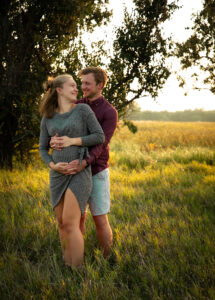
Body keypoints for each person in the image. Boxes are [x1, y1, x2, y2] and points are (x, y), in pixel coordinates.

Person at [50, 67, 118, 258]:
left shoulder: (109, 112)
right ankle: (77, 257)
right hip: (75, 172)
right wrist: (53, 140)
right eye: (82, 83)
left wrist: (85, 162)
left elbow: (102, 143)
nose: (83, 87)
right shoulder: (77, 105)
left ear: (100, 85)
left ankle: (107, 260)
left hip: (96, 171)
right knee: (77, 219)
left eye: (87, 83)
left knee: (100, 219)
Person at [39, 74, 105, 268]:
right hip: (57, 175)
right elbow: (43, 149)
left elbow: (99, 136)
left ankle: (76, 270)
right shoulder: (48, 117)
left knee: (70, 223)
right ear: (59, 90)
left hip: (79, 173)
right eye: (72, 86)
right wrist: (53, 165)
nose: (77, 89)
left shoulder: (83, 110)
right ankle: (67, 265)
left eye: (77, 86)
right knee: (61, 224)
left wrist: (72, 141)